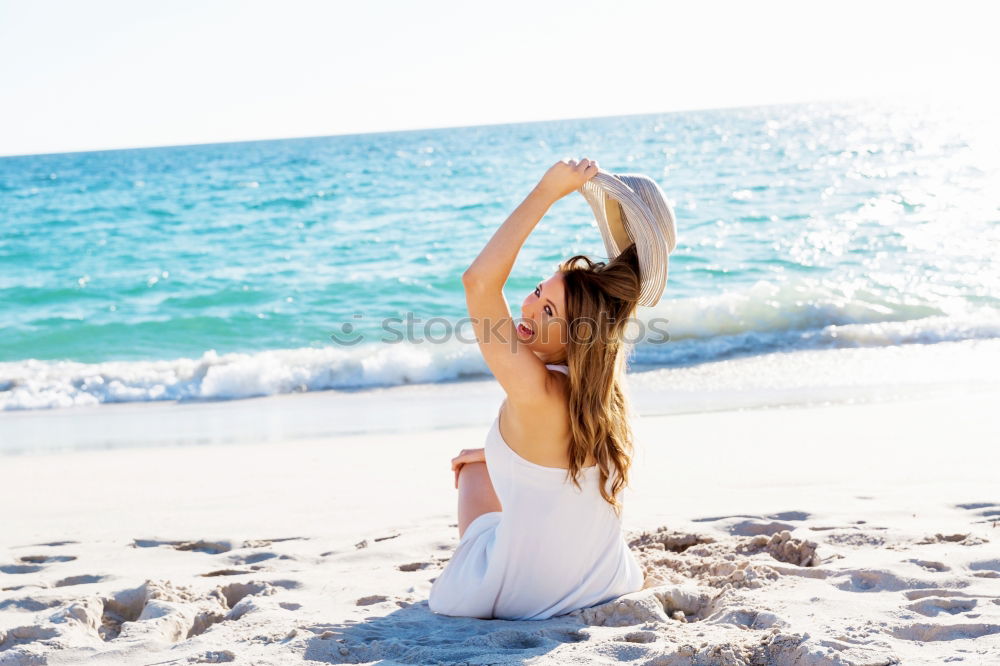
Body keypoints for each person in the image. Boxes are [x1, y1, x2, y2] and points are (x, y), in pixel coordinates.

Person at [427, 157, 647, 620]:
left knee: (472, 473)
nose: (528, 309)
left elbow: (479, 283)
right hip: (604, 580)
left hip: (521, 598)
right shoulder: (606, 393)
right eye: (537, 292)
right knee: (489, 462)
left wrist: (547, 192)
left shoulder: (535, 391)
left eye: (549, 313)